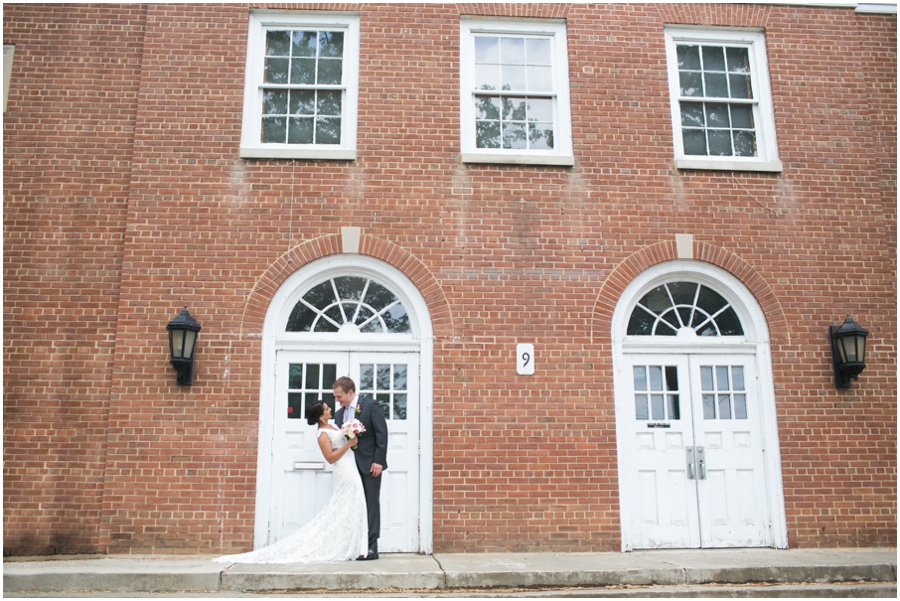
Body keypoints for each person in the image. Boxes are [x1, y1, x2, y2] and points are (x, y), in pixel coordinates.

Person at [212, 401, 368, 564]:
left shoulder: (332, 426)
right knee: (349, 500)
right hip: (344, 470)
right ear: (321, 416)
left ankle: (354, 543)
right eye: (327, 409)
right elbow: (330, 458)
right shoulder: (322, 434)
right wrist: (348, 445)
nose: (330, 410)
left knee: (353, 502)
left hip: (351, 465)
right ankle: (348, 546)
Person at [333, 376, 388, 560]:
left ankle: (372, 547)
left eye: (339, 396)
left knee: (371, 504)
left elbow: (382, 434)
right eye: (335, 397)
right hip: (350, 465)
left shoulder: (370, 405)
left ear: (350, 392)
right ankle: (356, 545)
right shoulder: (339, 414)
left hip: (370, 464)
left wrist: (378, 461)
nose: (337, 400)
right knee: (353, 504)